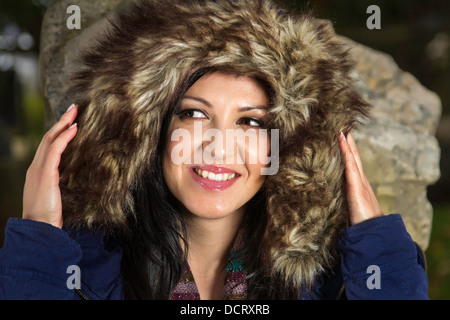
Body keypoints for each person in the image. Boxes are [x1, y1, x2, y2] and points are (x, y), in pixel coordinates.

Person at [0, 0, 428, 300]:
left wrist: (380, 246)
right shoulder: (81, 266)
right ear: (149, 131)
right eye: (193, 115)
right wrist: (39, 240)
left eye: (251, 122)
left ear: (289, 148)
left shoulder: (332, 279)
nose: (219, 145)